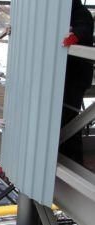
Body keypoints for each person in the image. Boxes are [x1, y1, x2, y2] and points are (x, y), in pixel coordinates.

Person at [60, 0, 94, 163]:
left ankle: (73, 159)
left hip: (76, 77)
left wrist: (75, 36)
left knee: (70, 119)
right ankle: (67, 155)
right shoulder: (67, 13)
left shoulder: (81, 13)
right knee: (65, 118)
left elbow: (84, 28)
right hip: (68, 76)